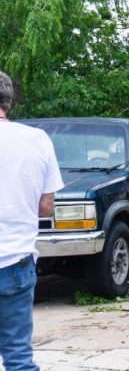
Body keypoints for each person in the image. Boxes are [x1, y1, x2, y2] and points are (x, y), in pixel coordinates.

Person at [0, 71, 62, 371]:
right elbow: (46, 208)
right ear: (9, 102)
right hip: (15, 261)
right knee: (18, 357)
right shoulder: (37, 139)